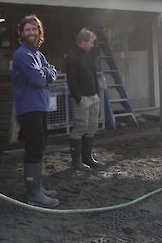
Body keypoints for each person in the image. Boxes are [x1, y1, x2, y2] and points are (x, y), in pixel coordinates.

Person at [12, 15, 59, 208]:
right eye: (27, 30)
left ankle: (37, 187)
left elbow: (51, 72)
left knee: (39, 146)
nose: (31, 32)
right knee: (34, 147)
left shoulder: (38, 55)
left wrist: (46, 73)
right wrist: (47, 73)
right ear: (21, 33)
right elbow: (38, 79)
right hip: (29, 107)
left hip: (40, 106)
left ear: (40, 32)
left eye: (34, 29)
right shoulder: (23, 54)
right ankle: (34, 194)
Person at [65, 28, 104, 170]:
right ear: (83, 42)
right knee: (80, 127)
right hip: (82, 98)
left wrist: (97, 94)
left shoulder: (89, 55)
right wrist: (78, 97)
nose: (93, 45)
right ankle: (76, 161)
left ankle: (88, 158)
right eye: (91, 42)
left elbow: (94, 74)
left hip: (93, 97)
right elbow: (71, 80)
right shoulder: (72, 57)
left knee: (92, 127)